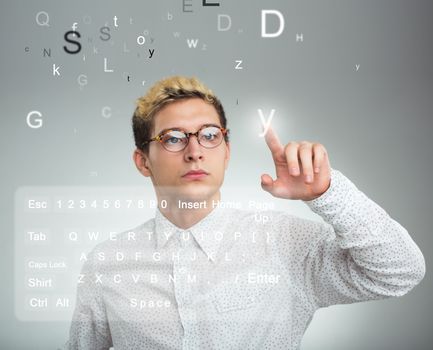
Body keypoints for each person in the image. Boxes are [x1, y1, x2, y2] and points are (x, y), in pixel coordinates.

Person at [63, 76, 426, 350]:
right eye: (173, 138)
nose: (194, 151)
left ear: (226, 151)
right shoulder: (107, 263)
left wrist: (327, 194)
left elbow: (399, 272)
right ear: (143, 161)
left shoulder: (285, 243)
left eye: (208, 135)